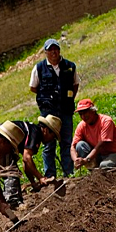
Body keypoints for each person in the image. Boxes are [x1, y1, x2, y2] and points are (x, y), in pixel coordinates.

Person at [29, 38, 79, 179]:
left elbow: (75, 84)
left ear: (59, 50)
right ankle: (50, 174)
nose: (53, 52)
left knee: (66, 142)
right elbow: (33, 87)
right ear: (45, 52)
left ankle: (68, 174)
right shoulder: (39, 68)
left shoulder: (70, 66)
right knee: (49, 145)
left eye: (55, 49)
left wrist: (68, 99)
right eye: (50, 50)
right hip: (48, 114)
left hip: (66, 111)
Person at [0, 115, 61, 208]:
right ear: (46, 130)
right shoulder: (35, 133)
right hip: (3, 140)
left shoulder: (33, 131)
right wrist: (40, 178)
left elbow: (25, 163)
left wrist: (33, 182)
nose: (52, 139)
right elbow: (27, 158)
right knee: (10, 171)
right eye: (53, 136)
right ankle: (13, 202)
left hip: (4, 140)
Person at [71, 99, 116, 170]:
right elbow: (73, 147)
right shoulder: (82, 125)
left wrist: (87, 159)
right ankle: (94, 170)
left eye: (85, 113)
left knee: (104, 166)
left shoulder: (106, 121)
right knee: (80, 145)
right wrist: (76, 160)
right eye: (80, 114)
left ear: (93, 111)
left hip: (115, 154)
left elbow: (101, 145)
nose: (83, 117)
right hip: (98, 155)